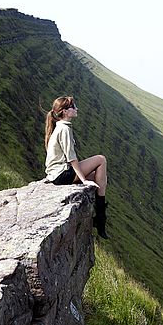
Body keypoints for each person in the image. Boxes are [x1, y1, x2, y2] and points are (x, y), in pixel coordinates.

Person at [45, 95, 109, 239]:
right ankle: (100, 219)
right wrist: (83, 180)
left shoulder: (60, 127)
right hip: (62, 174)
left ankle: (99, 219)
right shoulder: (65, 129)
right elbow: (72, 158)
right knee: (101, 159)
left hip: (56, 174)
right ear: (66, 111)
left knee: (100, 179)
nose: (76, 109)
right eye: (73, 107)